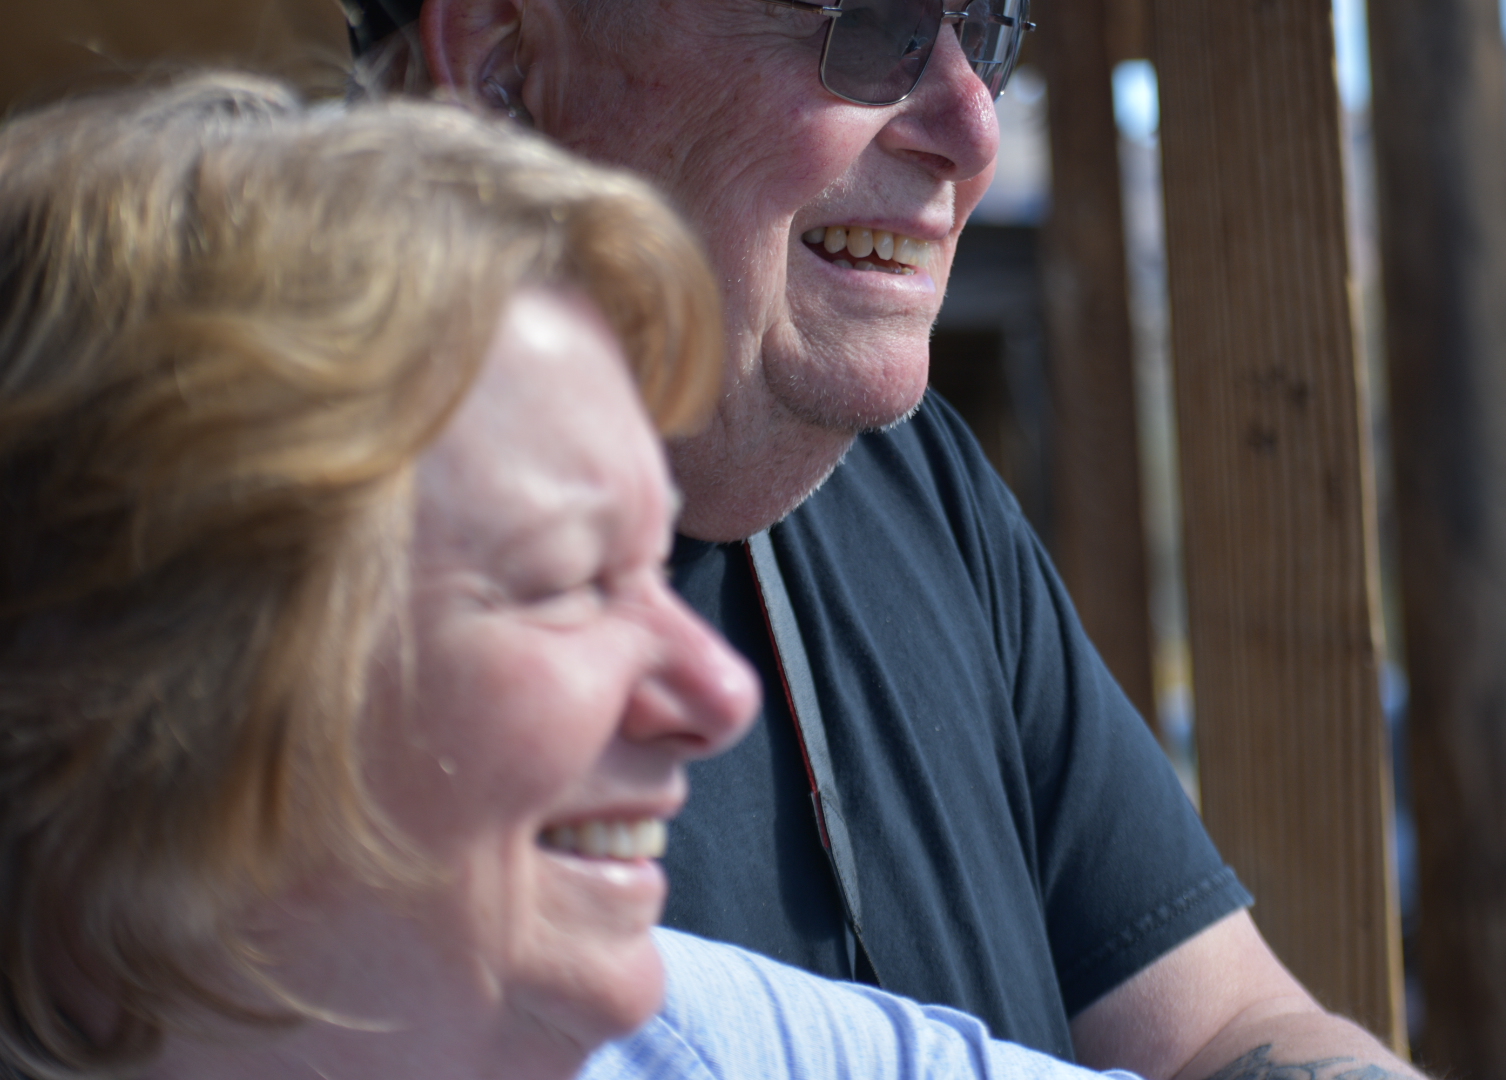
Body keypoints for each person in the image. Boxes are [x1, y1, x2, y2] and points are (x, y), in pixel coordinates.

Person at [0, 72, 1161, 1080]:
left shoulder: (668, 1035)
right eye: (563, 583)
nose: (716, 695)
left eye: (654, 566)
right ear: (139, 674)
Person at [343, 4, 1429, 1078]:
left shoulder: (914, 479)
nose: (973, 125)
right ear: (502, 57)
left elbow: (1218, 1024)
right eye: (871, 21)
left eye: (993, 28)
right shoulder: (282, 595)